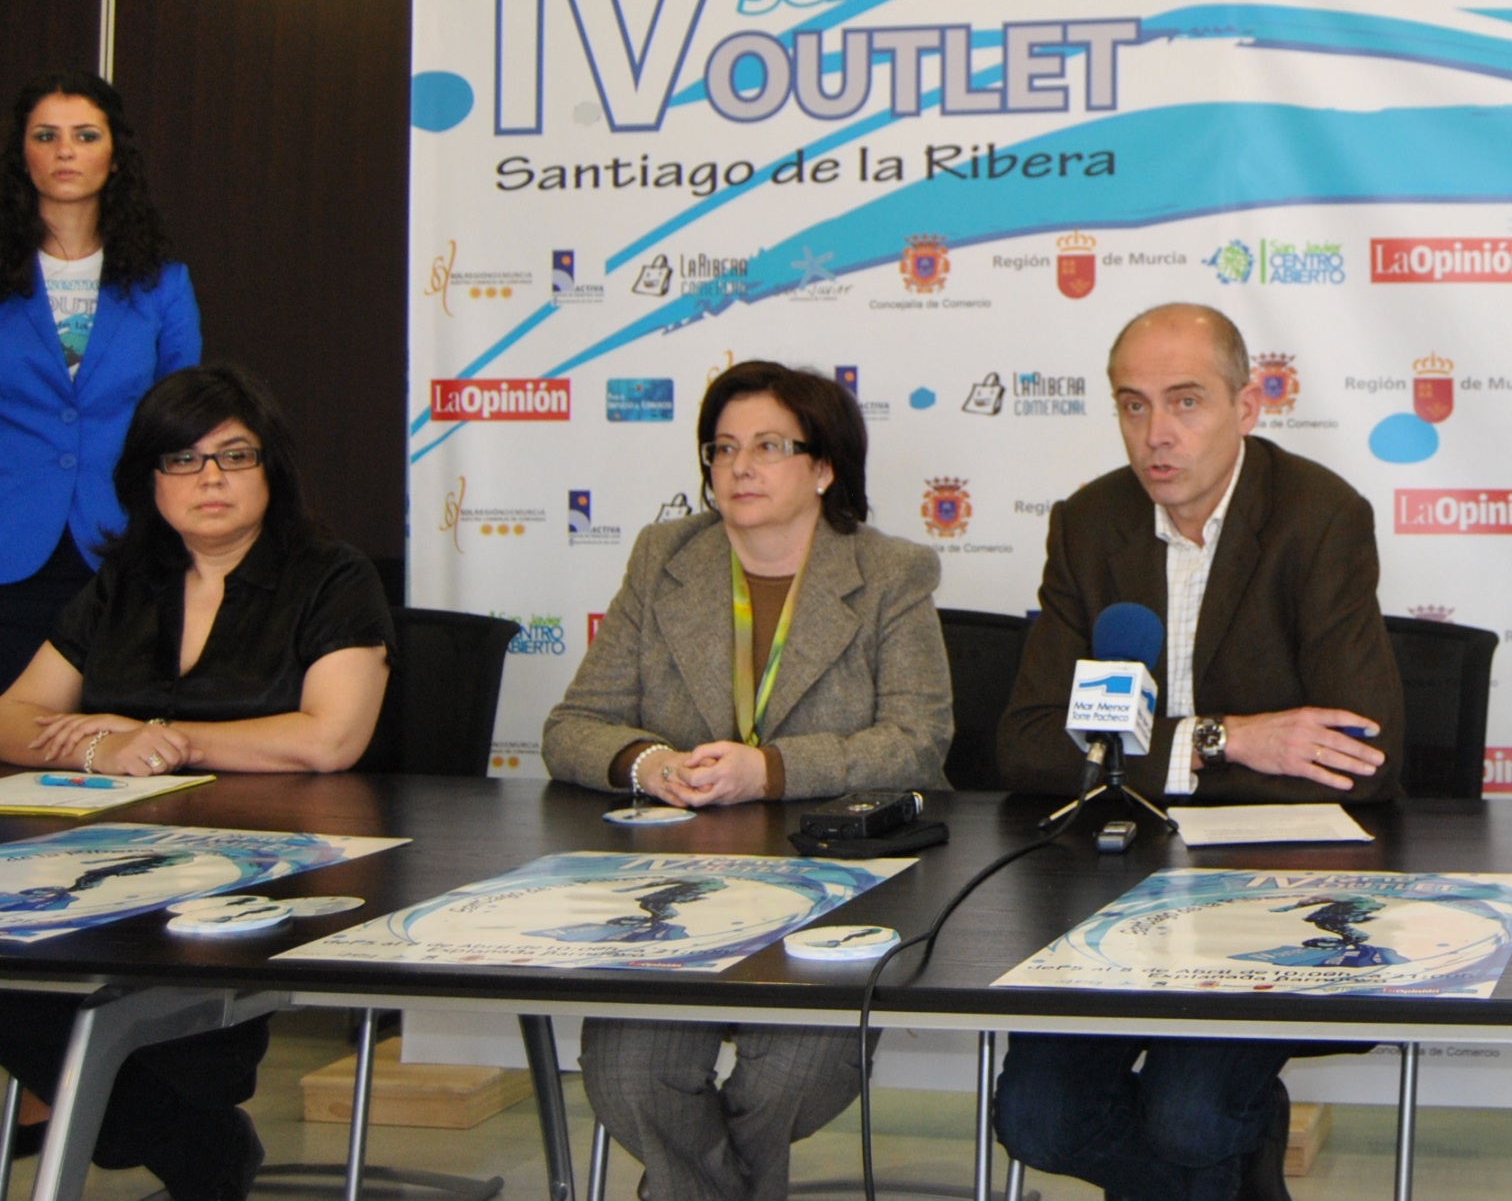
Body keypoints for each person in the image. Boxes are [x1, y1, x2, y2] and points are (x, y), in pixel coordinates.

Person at [993, 302, 1403, 1201]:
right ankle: (1239, 1167)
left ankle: (1222, 1152)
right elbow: (1027, 742)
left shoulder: (1319, 517)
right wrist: (1226, 740)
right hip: (1112, 885)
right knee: (1036, 1119)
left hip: (1263, 891)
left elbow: (1363, 757)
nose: (1157, 434)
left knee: (1188, 1120)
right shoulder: (1089, 523)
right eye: (1132, 404)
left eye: (1185, 402)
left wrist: (1154, 762)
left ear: (1246, 406)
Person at [542, 359, 951, 1201]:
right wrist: (649, 763)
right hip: (678, 893)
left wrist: (770, 770)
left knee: (794, 1072)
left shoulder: (892, 573)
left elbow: (918, 744)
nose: (739, 467)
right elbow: (572, 727)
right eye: (722, 448)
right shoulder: (665, 558)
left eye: (769, 446)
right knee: (627, 1071)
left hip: (833, 889)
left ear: (824, 467)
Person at [0, 363, 392, 1201]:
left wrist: (167, 741)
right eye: (182, 459)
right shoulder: (125, 582)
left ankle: (182, 1136)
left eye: (233, 456)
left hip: (270, 869)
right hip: (103, 866)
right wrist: (100, 747)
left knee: (127, 1042)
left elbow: (330, 738)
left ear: (270, 469)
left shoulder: (331, 575)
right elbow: (12, 715)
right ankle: (195, 1144)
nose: (209, 478)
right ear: (150, 479)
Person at [0, 72, 198, 687]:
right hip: (9, 547)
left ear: (115, 158)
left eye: (85, 135)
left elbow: (182, 422)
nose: (65, 151)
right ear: (22, 157)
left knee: (112, 726)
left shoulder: (164, 284)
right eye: (46, 136)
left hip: (125, 544)